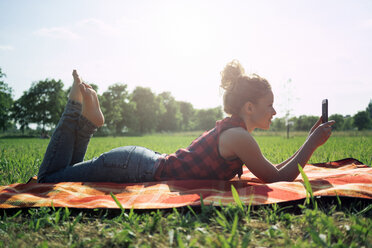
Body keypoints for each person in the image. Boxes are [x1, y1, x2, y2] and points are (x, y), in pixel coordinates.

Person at [37, 61, 335, 184]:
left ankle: (87, 122)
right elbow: (275, 177)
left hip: (138, 162)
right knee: (49, 179)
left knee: (61, 174)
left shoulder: (237, 132)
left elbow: (273, 169)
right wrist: (311, 143)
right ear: (248, 107)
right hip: (136, 166)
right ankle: (75, 107)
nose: (274, 112)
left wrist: (308, 141)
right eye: (269, 105)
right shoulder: (239, 137)